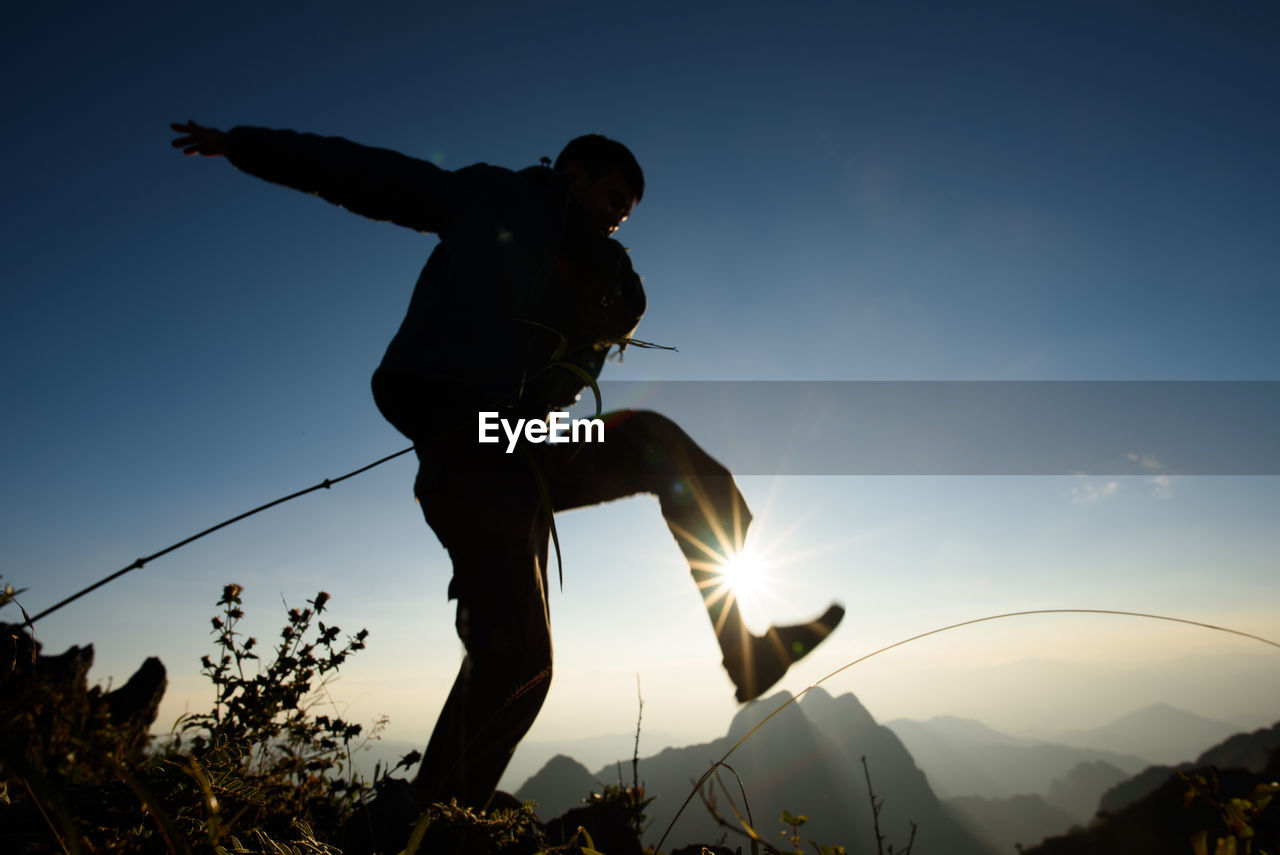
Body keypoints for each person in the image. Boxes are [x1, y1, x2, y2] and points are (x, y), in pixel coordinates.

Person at [170, 121, 845, 813]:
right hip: (467, 437)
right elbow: (370, 174)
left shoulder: (593, 263)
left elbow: (603, 330)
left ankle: (745, 646)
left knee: (659, 446)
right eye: (612, 194)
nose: (618, 214)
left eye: (627, 211)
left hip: (517, 442)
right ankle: (430, 822)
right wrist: (244, 144)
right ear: (575, 172)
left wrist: (613, 297)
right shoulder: (496, 198)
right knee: (519, 662)